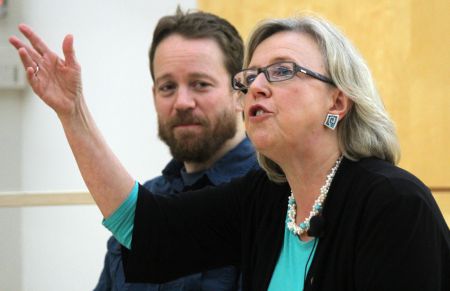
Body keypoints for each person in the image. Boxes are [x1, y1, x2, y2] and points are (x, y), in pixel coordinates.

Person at [9, 12, 450, 291]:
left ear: (337, 101)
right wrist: (73, 113)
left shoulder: (393, 204)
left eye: (281, 71)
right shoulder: (267, 196)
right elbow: (146, 230)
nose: (256, 85)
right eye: (250, 77)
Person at [91, 9, 257, 291]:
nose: (182, 102)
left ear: (240, 93)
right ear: (154, 96)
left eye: (200, 84)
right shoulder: (142, 205)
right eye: (168, 87)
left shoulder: (276, 198)